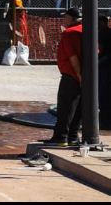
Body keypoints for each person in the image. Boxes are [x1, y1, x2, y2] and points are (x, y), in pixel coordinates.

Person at [42, 8, 83, 146]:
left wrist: (78, 75)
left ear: (71, 18)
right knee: (77, 109)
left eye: (65, 17)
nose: (63, 20)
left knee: (65, 108)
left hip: (71, 76)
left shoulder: (69, 33)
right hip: (85, 77)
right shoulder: (87, 31)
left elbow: (72, 57)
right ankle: (72, 137)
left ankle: (61, 137)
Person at [99, 13, 111, 130]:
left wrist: (96, 64)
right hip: (104, 68)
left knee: (104, 96)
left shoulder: (103, 34)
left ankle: (105, 121)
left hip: (105, 69)